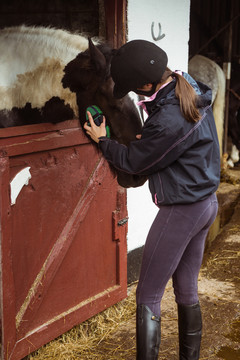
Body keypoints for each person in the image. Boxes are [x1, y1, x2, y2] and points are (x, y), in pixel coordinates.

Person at [84, 40, 220, 360]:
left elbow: (134, 163)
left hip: (182, 210)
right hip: (205, 204)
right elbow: (169, 139)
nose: (137, 95)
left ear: (147, 84)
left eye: (136, 90)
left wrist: (103, 140)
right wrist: (153, 136)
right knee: (186, 288)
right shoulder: (187, 83)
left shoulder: (169, 118)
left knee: (147, 295)